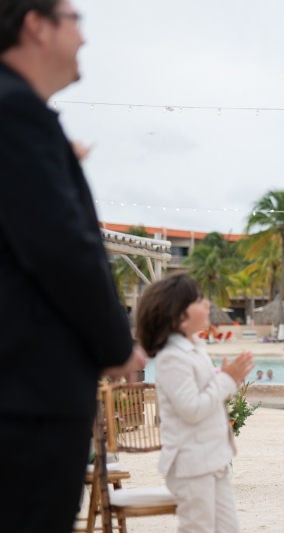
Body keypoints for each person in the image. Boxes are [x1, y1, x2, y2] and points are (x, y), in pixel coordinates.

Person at [0, 2, 146, 531]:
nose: (83, 36)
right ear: (37, 24)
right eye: (74, 18)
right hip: (28, 397)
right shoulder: (16, 112)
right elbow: (63, 247)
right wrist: (115, 345)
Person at [136, 274, 254, 533]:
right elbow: (191, 409)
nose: (208, 304)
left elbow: (208, 394)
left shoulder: (196, 348)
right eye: (199, 300)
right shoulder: (172, 359)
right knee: (198, 528)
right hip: (191, 464)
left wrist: (228, 381)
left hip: (214, 458)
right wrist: (226, 379)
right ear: (179, 316)